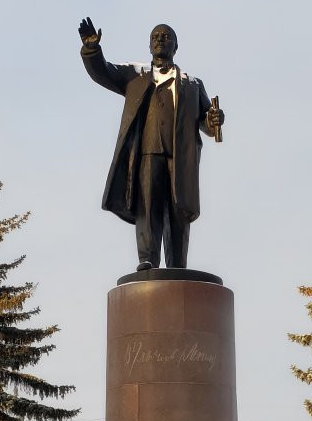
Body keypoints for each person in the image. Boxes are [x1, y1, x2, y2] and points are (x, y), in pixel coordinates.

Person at [78, 17, 225, 270]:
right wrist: (92, 49)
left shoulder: (192, 84)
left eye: (166, 36)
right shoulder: (136, 75)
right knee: (148, 207)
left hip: (180, 158)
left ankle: (177, 266)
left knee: (178, 213)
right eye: (155, 36)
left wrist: (214, 120)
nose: (160, 39)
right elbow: (103, 71)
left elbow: (205, 123)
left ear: (175, 47)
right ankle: (147, 259)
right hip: (147, 153)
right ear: (149, 46)